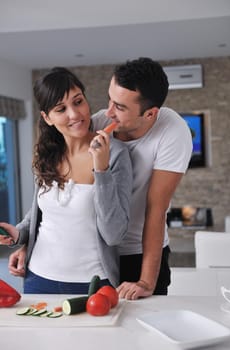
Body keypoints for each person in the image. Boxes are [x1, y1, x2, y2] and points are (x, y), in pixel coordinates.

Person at [0, 67, 132, 294]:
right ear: (47, 118)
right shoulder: (45, 155)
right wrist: (18, 234)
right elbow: (42, 214)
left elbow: (114, 234)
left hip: (94, 283)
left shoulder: (115, 153)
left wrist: (101, 169)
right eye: (61, 109)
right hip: (38, 278)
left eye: (78, 101)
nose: (75, 114)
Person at [91, 57, 193, 300]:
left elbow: (155, 209)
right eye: (110, 100)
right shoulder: (99, 122)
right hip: (97, 250)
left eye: (121, 107)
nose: (109, 112)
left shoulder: (172, 131)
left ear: (150, 114)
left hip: (140, 252)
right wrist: (26, 243)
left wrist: (146, 281)